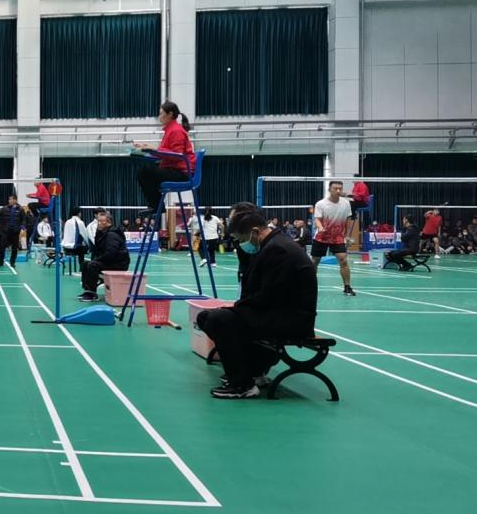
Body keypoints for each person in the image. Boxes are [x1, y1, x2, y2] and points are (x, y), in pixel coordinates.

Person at [196, 209, 318, 399]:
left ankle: (242, 384)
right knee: (206, 317)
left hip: (291, 319)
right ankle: (252, 371)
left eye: (241, 238)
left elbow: (270, 296)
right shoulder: (269, 245)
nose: (240, 244)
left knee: (219, 319)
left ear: (254, 232)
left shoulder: (278, 250)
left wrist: (237, 310)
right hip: (276, 312)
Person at [134, 101, 196, 216]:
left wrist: (154, 148)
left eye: (161, 113)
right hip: (174, 169)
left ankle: (156, 206)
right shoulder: (170, 130)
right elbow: (166, 153)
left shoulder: (176, 131)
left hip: (182, 173)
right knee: (146, 171)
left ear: (170, 114)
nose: (159, 116)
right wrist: (147, 148)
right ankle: (156, 205)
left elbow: (177, 155)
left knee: (144, 172)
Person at [311, 181, 356, 296]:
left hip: (337, 237)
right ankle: (310, 285)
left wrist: (347, 236)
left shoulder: (346, 203)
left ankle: (347, 287)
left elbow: (347, 220)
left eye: (340, 188)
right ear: (329, 189)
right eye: (335, 188)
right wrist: (320, 227)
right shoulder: (321, 204)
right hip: (321, 236)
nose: (338, 191)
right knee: (315, 261)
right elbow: (317, 219)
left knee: (343, 260)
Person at [78, 214, 129, 302]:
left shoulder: (112, 235)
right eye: (98, 221)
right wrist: (98, 232)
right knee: (85, 264)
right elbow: (98, 250)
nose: (99, 223)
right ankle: (87, 291)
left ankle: (92, 293)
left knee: (92, 265)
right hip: (111, 261)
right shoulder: (103, 233)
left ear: (108, 222)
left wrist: (96, 260)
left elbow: (110, 254)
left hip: (119, 264)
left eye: (102, 221)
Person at [0, 194, 29, 268]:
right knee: (1, 247)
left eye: (10, 199)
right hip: (5, 231)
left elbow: (23, 219)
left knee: (14, 248)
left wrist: (23, 227)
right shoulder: (4, 208)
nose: (9, 201)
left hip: (15, 232)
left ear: (15, 200)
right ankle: (0, 262)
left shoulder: (20, 209)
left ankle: (12, 262)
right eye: (9, 199)